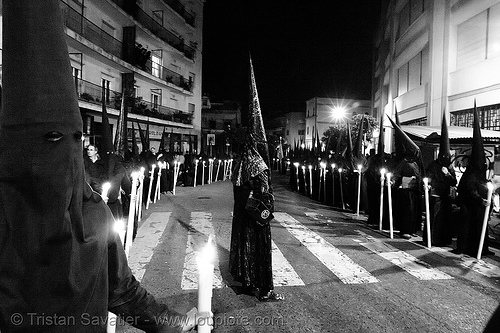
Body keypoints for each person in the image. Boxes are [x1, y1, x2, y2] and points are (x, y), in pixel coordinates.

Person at [0, 1, 211, 331]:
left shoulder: (92, 213)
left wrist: (177, 321)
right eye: (44, 139)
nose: (54, 153)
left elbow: (125, 293)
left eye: (68, 138)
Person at [229, 57, 283, 302]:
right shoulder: (257, 163)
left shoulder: (239, 161)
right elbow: (264, 192)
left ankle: (247, 280)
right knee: (259, 252)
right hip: (255, 220)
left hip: (242, 216)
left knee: (244, 248)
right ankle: (265, 288)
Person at [423, 114, 457, 246]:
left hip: (445, 198)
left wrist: (448, 174)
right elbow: (427, 178)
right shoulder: (433, 165)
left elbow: (454, 182)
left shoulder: (449, 167)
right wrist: (428, 185)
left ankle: (443, 240)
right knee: (434, 219)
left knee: (445, 221)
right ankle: (432, 239)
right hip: (435, 197)